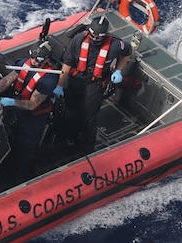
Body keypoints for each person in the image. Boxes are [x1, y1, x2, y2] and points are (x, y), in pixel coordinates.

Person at [56, 13, 133, 153]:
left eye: (98, 37)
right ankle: (68, 140)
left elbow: (128, 51)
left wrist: (118, 70)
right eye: (92, 36)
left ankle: (87, 148)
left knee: (88, 117)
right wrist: (60, 85)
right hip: (75, 80)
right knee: (70, 113)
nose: (95, 39)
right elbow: (67, 63)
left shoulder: (116, 45)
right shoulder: (78, 40)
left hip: (94, 85)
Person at [0, 40, 60, 180]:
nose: (34, 62)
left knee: (25, 147)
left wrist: (12, 102)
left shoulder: (48, 78)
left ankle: (20, 178)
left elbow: (32, 104)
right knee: (9, 139)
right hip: (16, 108)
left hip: (32, 117)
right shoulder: (26, 63)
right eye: (32, 57)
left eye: (39, 59)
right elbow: (7, 80)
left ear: (47, 60)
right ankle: (4, 169)